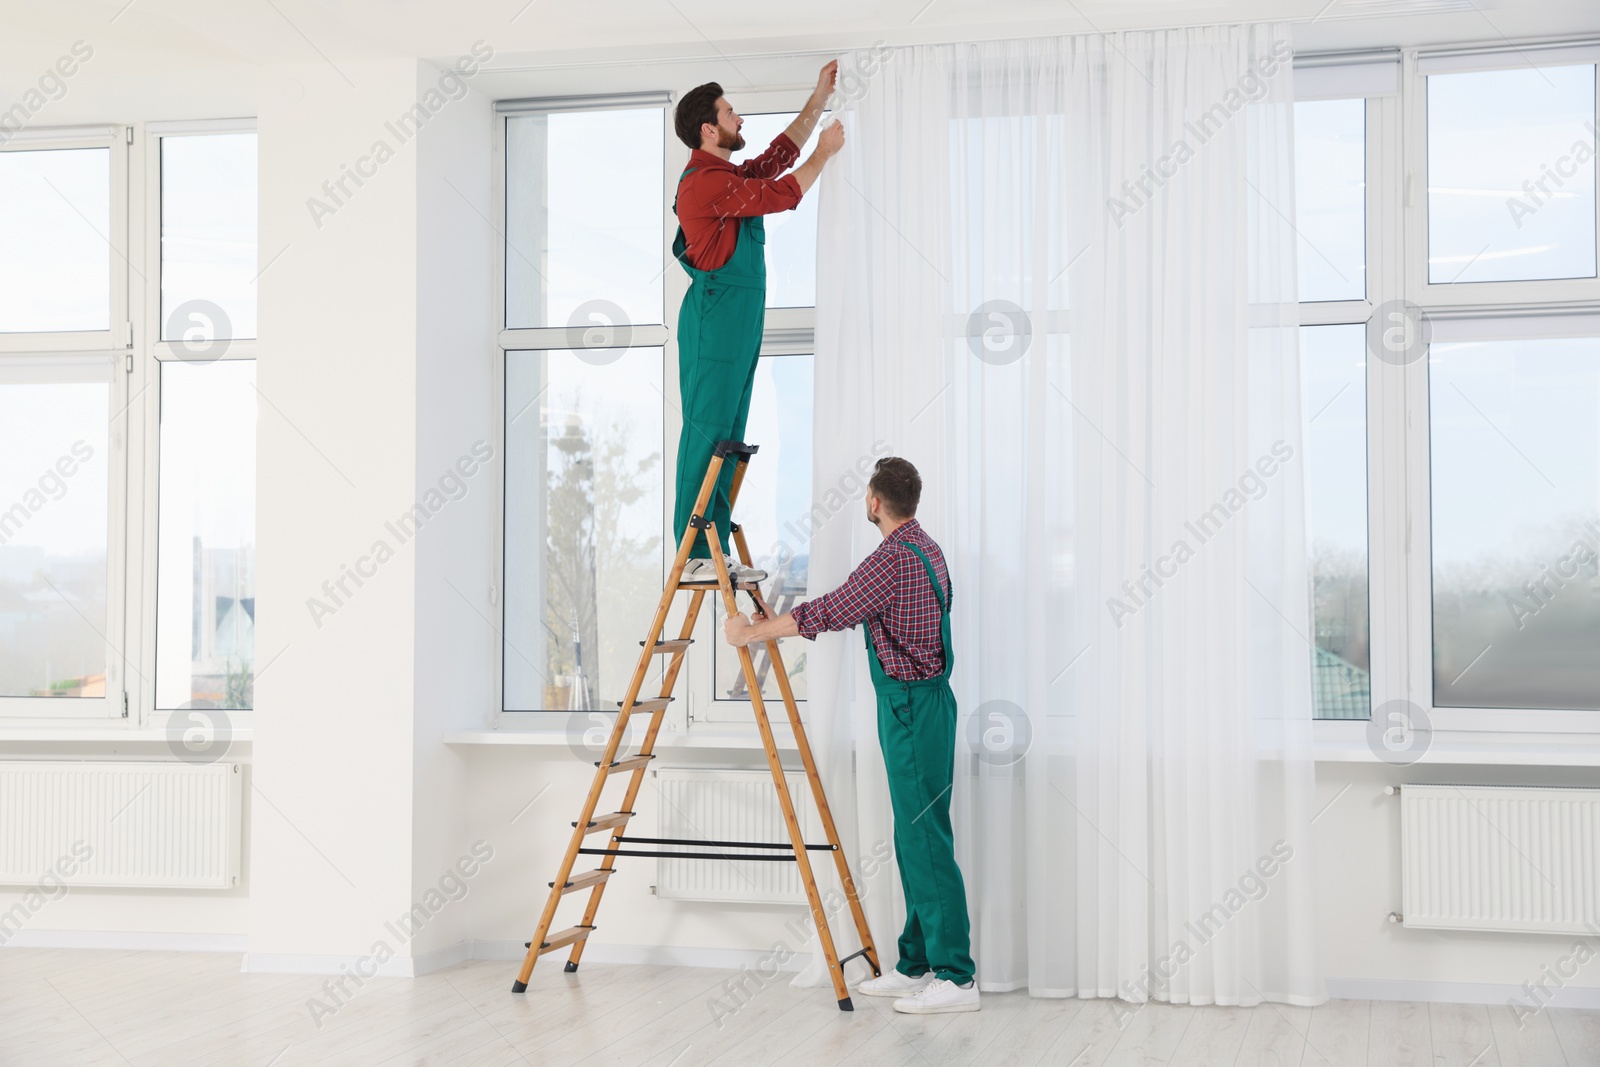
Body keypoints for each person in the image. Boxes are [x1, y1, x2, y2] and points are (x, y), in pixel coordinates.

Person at [723, 457, 979, 1015]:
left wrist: (749, 632)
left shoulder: (890, 559)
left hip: (911, 708)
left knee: (925, 838)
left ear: (874, 501)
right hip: (927, 703)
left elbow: (833, 611)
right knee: (915, 832)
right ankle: (916, 965)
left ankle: (957, 978)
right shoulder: (926, 548)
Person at [671, 64, 845, 583]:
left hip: (738, 322)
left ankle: (715, 546)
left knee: (729, 436)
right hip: (713, 321)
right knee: (705, 432)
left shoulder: (725, 178)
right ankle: (693, 550)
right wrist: (826, 153)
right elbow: (782, 192)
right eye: (729, 112)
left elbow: (774, 160)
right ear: (709, 128)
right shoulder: (704, 186)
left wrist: (817, 99)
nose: (738, 117)